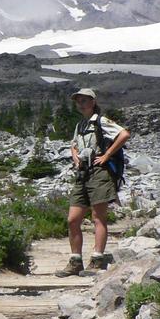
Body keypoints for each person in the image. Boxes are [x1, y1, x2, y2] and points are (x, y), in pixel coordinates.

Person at [56, 88, 130, 277]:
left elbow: (124, 134)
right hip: (83, 173)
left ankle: (97, 259)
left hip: (99, 172)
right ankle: (75, 261)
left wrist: (106, 155)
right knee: (73, 219)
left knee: (99, 217)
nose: (80, 103)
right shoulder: (80, 124)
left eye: (84, 100)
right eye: (78, 101)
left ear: (93, 101)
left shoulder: (101, 121)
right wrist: (75, 158)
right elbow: (73, 144)